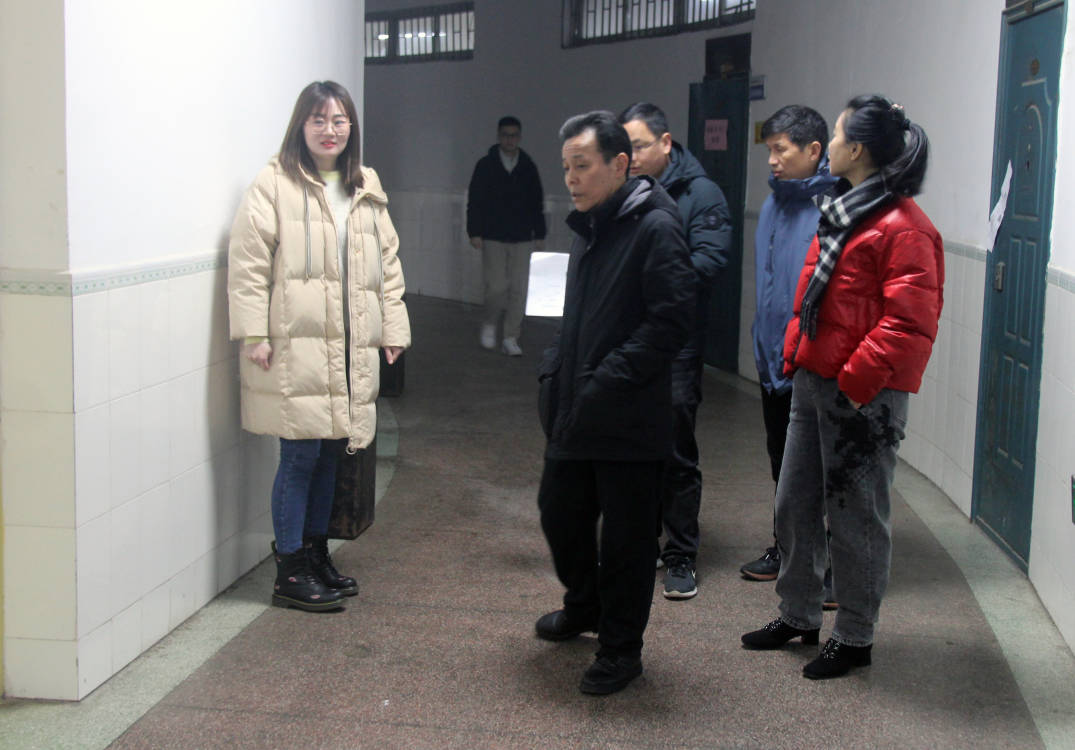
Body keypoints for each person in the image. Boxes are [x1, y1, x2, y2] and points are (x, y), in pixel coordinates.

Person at [741, 95, 943, 679]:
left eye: (835, 134)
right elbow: (815, 294)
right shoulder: (843, 210)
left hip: (863, 397)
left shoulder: (906, 227)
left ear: (856, 148)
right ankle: (798, 613)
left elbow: (909, 325)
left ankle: (854, 635)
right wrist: (797, 354)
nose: (828, 144)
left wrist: (854, 382)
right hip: (815, 383)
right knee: (795, 504)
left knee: (855, 519)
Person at [228, 81, 411, 612]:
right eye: (318, 119)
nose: (330, 130)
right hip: (296, 345)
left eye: (339, 120)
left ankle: (314, 554)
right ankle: (289, 568)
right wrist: (255, 334)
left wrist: (393, 330)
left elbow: (388, 265)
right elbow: (249, 264)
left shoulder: (365, 185)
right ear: (300, 125)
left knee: (334, 450)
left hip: (349, 344)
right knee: (300, 456)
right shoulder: (274, 184)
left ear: (351, 127)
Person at [534, 111, 696, 695]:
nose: (571, 179)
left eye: (582, 166)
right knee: (559, 512)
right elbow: (576, 316)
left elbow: (671, 321)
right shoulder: (590, 226)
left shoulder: (656, 227)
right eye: (566, 168)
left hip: (628, 414)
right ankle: (584, 605)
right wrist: (556, 371)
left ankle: (622, 650)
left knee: (626, 542)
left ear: (620, 164)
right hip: (579, 406)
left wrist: (609, 378)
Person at [618, 102, 731, 600]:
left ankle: (681, 554)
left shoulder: (701, 193)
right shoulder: (621, 190)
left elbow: (709, 260)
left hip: (677, 344)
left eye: (639, 146)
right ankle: (638, 544)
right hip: (629, 341)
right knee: (631, 445)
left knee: (676, 448)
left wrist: (647, 284)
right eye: (624, 148)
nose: (631, 156)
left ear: (665, 143)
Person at [740, 106, 837, 589]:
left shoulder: (834, 208)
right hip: (772, 358)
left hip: (811, 362)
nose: (772, 160)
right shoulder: (774, 204)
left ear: (814, 150)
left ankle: (832, 563)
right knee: (781, 460)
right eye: (769, 150)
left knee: (822, 468)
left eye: (781, 150)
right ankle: (786, 547)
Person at [466, 116, 547, 356]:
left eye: (514, 135)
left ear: (519, 137)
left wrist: (539, 233)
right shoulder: (486, 165)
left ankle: (511, 336)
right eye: (505, 135)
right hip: (493, 234)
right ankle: (490, 323)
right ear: (499, 136)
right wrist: (474, 232)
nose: (510, 140)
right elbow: (475, 200)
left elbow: (536, 202)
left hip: (522, 235)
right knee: (496, 287)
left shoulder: (528, 166)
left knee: (519, 288)